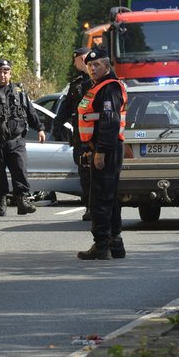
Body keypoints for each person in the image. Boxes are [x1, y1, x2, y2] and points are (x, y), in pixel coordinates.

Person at [76, 48, 127, 260]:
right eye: (90, 66)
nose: (93, 69)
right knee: (109, 197)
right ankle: (115, 243)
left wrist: (102, 150)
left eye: (97, 65)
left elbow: (110, 120)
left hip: (107, 148)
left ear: (107, 66)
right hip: (101, 147)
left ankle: (101, 245)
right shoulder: (97, 87)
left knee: (100, 199)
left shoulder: (109, 88)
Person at [0, 58, 44, 217]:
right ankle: (1, 204)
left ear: (10, 73)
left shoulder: (19, 91)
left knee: (20, 170)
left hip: (16, 139)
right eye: (0, 71)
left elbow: (30, 111)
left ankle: (22, 202)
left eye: (6, 71)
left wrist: (40, 128)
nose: (3, 74)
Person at [52, 47, 93, 220]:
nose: (74, 64)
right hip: (80, 138)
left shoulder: (99, 80)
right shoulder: (76, 83)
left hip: (97, 138)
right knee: (84, 173)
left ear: (82, 58)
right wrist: (56, 126)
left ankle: (102, 207)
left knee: (98, 174)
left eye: (75, 60)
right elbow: (66, 109)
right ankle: (90, 206)